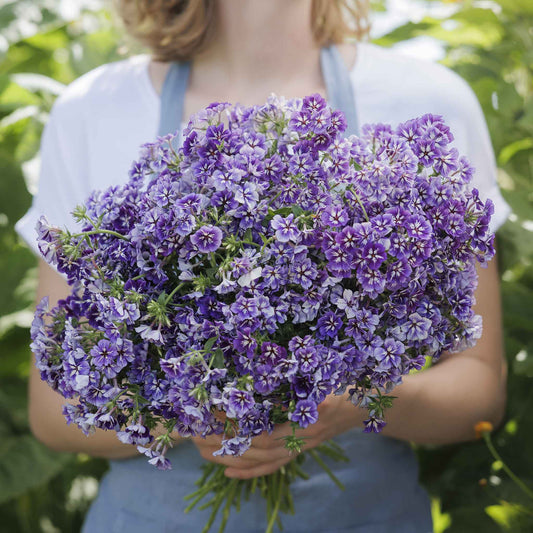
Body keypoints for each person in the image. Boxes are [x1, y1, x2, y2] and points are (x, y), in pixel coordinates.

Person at [16, 1, 511, 531]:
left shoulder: (430, 98)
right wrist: (194, 412)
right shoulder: (91, 110)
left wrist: (355, 402)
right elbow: (54, 410)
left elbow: (479, 392)